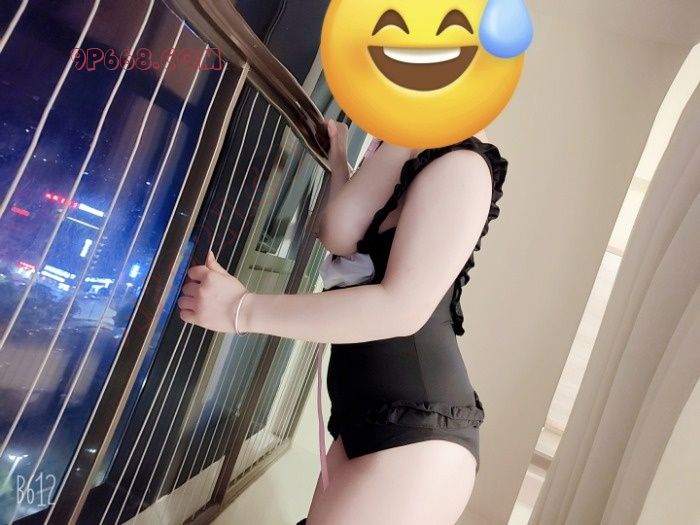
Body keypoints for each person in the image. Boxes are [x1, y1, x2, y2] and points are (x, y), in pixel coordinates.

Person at [178, 119, 507, 524]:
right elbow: (346, 235)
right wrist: (339, 161)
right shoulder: (409, 134)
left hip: (417, 433)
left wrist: (240, 309)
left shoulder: (462, 159)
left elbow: (401, 308)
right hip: (373, 419)